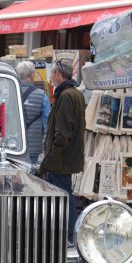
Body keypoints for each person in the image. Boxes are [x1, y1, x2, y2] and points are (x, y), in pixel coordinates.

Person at [37, 58, 86, 245]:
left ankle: (70, 235)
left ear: (58, 74)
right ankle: (66, 234)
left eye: (52, 73)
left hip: (61, 159)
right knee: (63, 195)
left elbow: (63, 133)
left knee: (63, 196)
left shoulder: (66, 95)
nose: (50, 77)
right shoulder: (75, 93)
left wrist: (50, 159)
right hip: (66, 158)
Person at [16, 61, 50, 166]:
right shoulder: (42, 95)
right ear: (32, 75)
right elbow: (46, 123)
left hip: (14, 145)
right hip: (33, 146)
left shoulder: (11, 92)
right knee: (30, 177)